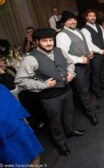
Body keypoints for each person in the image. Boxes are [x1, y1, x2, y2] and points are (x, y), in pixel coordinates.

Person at [15, 28, 86, 156]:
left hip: (66, 90)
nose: (49, 43)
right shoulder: (30, 59)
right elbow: (20, 80)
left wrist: (71, 73)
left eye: (50, 40)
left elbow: (70, 63)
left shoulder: (60, 50)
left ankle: (70, 131)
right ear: (37, 42)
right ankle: (60, 143)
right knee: (55, 121)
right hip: (50, 97)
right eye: (44, 41)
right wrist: (43, 85)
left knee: (69, 113)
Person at [56, 11, 99, 126]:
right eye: (69, 20)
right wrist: (80, 60)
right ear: (64, 23)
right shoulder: (62, 35)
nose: (72, 21)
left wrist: (89, 52)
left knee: (87, 87)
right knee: (83, 90)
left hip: (86, 64)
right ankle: (90, 113)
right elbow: (62, 54)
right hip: (76, 67)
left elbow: (83, 44)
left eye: (73, 19)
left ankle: (89, 105)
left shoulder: (78, 30)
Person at [0, 84, 43, 165]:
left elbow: (15, 106)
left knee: (34, 155)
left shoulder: (1, 88)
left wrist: (26, 122)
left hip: (20, 128)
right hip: (4, 139)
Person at [81, 9, 104, 100]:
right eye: (90, 16)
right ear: (86, 17)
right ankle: (96, 90)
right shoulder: (84, 29)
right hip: (95, 55)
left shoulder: (99, 26)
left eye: (94, 16)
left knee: (103, 71)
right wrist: (100, 51)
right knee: (95, 74)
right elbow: (88, 43)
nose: (92, 17)